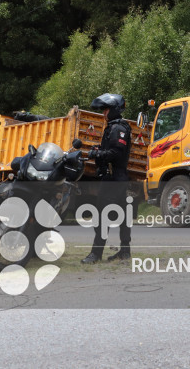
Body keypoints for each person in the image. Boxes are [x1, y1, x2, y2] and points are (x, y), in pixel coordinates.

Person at [81, 93, 133, 264]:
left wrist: (98, 153)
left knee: (103, 217)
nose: (104, 113)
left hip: (113, 179)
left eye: (106, 110)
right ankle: (125, 252)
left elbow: (117, 153)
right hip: (117, 178)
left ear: (114, 110)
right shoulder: (114, 127)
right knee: (123, 216)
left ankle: (95, 254)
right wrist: (100, 150)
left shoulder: (118, 128)